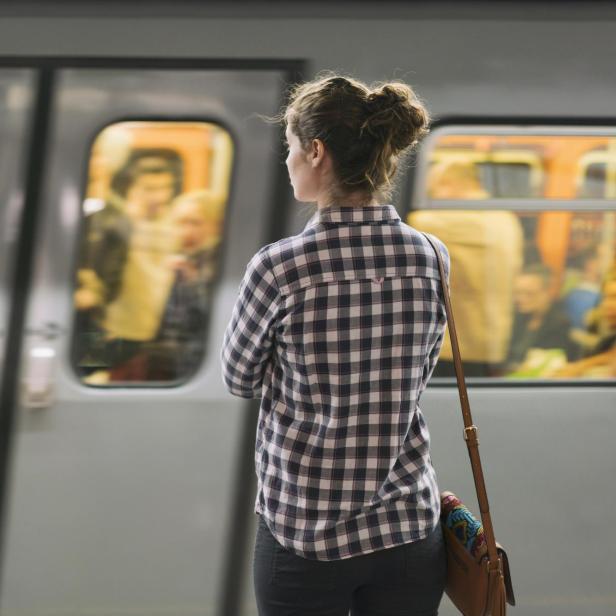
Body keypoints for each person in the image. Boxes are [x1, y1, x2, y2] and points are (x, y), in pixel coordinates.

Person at [220, 72, 449, 616]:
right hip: (408, 528)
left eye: (292, 148)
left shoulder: (280, 268)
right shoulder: (431, 257)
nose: (288, 160)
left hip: (306, 534)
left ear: (316, 151)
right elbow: (421, 369)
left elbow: (238, 378)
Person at [408, 161, 524, 377]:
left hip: (453, 346)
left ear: (450, 184)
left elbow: (407, 225)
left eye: (434, 190)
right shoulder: (507, 220)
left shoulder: (439, 221)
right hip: (493, 342)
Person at [504, 263, 580, 373]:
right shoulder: (516, 319)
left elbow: (548, 366)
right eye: (518, 293)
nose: (520, 299)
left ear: (548, 292)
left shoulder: (559, 324)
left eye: (529, 293)